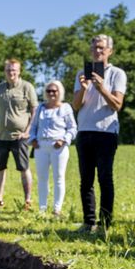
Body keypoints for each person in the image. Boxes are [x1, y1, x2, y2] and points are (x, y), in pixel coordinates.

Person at [72, 34, 127, 232]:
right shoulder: (82, 73)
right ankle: (88, 222)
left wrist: (101, 88)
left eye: (102, 48)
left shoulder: (117, 74)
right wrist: (84, 89)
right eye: (95, 47)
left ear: (110, 51)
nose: (98, 51)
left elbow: (117, 105)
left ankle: (105, 223)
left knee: (105, 178)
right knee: (86, 180)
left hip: (106, 131)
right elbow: (76, 106)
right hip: (85, 131)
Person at [0, 58, 38, 210]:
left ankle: (27, 201)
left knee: (24, 168)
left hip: (19, 137)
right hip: (1, 137)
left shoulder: (26, 87)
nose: (11, 72)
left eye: (14, 70)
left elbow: (35, 110)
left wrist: (28, 131)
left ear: (19, 71)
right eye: (8, 70)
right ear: (5, 72)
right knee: (0, 168)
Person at [27, 80, 77, 216]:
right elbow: (33, 127)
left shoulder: (65, 108)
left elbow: (72, 128)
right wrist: (32, 140)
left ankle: (57, 208)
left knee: (59, 177)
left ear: (60, 92)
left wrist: (64, 140)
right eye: (48, 91)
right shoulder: (40, 108)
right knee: (42, 178)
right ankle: (42, 209)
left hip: (58, 147)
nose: (51, 93)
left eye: (54, 91)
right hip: (41, 146)